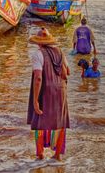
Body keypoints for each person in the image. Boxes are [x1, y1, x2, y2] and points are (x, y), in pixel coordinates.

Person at [27, 27, 70, 161]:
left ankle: (40, 154)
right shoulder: (60, 52)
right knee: (60, 122)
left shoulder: (37, 54)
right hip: (61, 91)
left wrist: (35, 100)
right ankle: (57, 155)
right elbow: (67, 72)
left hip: (45, 91)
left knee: (40, 122)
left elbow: (38, 78)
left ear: (39, 42)